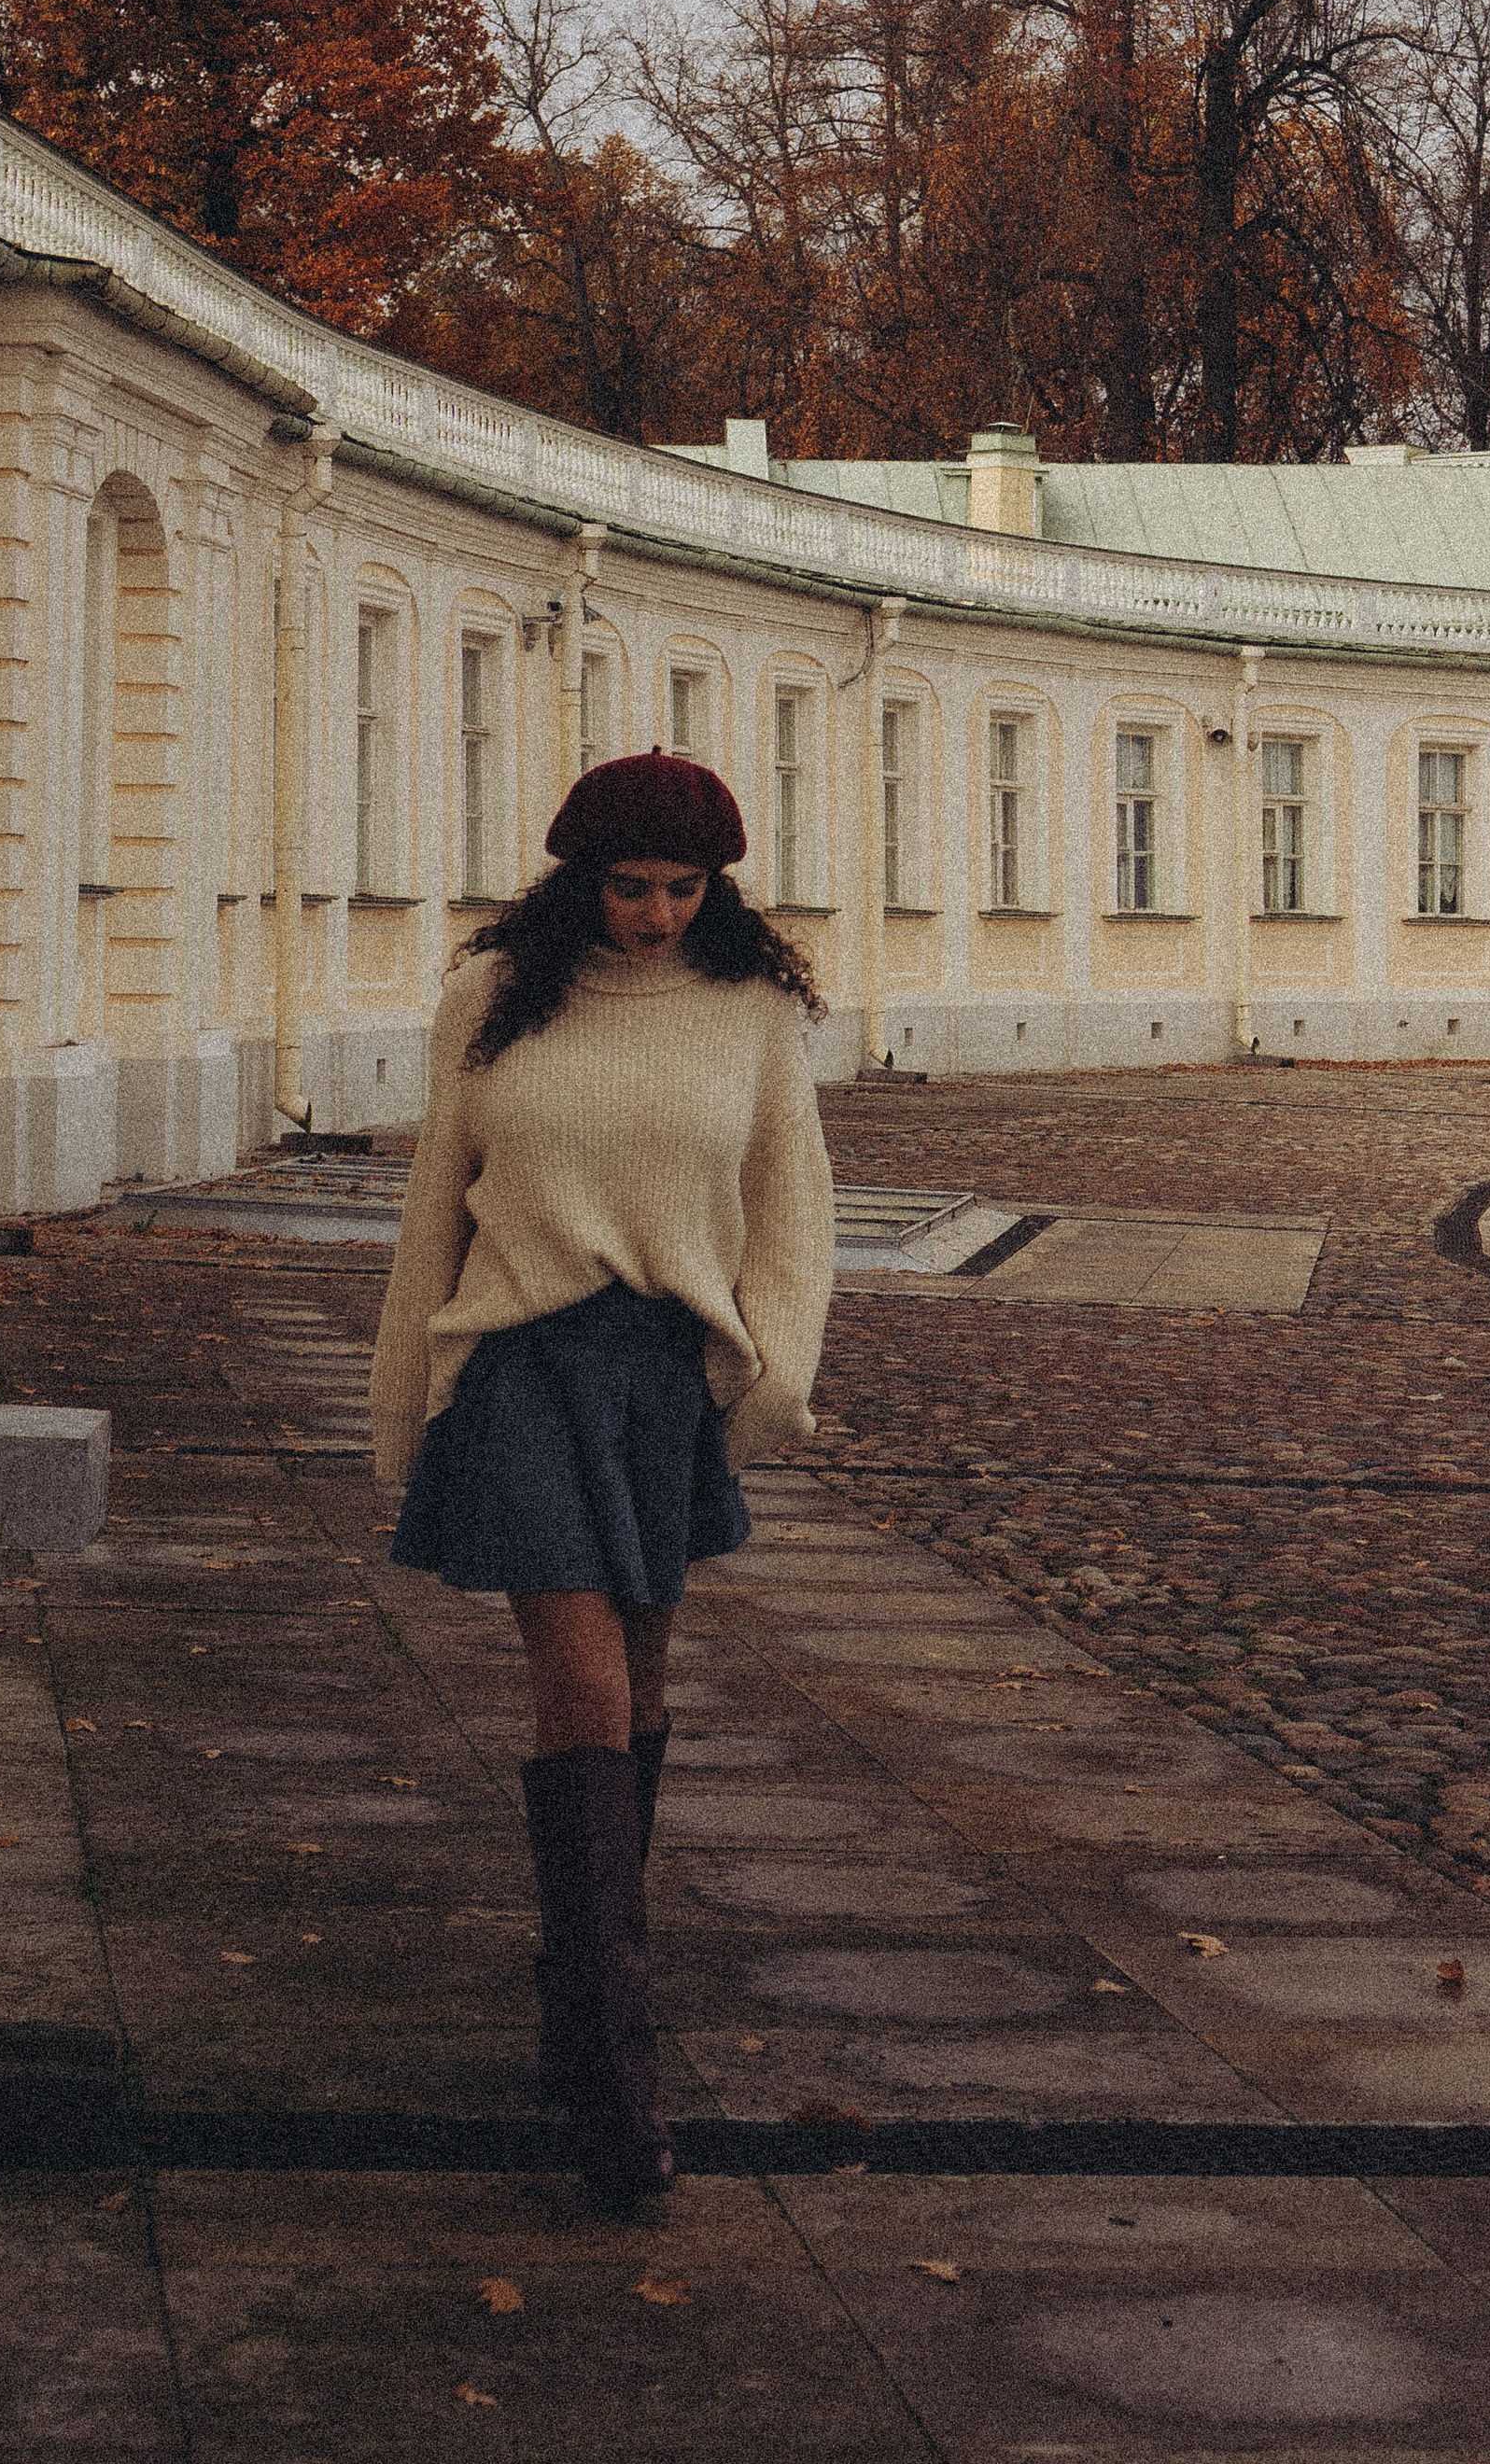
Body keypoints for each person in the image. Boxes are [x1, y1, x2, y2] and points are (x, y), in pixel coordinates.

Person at [368, 748, 835, 2206]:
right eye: (626, 886)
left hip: (661, 1383)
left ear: (718, 888)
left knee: (639, 1689)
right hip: (518, 1366)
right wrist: (404, 1411)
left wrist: (773, 1380)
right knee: (579, 1684)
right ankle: (618, 2077)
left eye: (680, 889)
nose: (650, 914)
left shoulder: (752, 1012)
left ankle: (581, 1989)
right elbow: (433, 1205)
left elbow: (791, 1212)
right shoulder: (498, 997)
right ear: (581, 877)